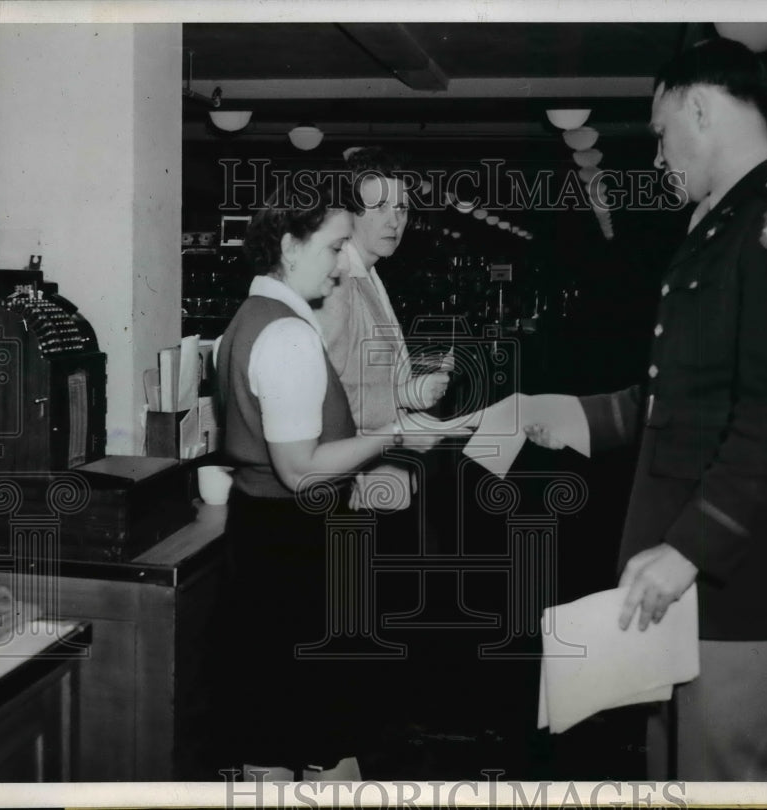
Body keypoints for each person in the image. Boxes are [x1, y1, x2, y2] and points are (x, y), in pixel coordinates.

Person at [525, 37, 767, 781]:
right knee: (677, 771)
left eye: (662, 131)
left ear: (700, 109)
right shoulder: (720, 220)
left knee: (726, 777)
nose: (659, 155)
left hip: (736, 575)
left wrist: (690, 548)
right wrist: (571, 413)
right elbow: (681, 397)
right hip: (689, 568)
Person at [214, 172, 449, 780]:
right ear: (290, 246)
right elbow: (301, 471)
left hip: (261, 531)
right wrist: (393, 435)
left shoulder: (247, 318)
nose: (343, 267)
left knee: (271, 724)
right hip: (294, 539)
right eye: (333, 247)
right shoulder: (289, 335)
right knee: (316, 727)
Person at [315, 146, 451, 513]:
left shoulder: (368, 272)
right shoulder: (337, 284)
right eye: (380, 209)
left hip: (377, 483)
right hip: (349, 491)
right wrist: (405, 395)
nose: (395, 221)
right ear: (349, 214)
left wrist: (411, 382)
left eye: (402, 208)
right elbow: (324, 402)